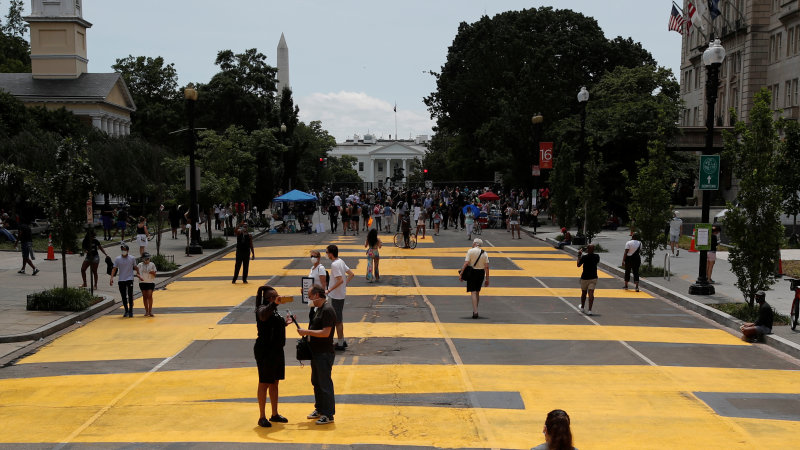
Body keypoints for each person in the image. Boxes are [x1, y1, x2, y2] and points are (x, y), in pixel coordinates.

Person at [296, 285, 336, 425]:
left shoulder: (327, 310)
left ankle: (328, 414)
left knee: (325, 383)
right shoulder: (318, 309)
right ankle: (319, 408)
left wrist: (307, 332)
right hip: (316, 352)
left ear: (318, 295)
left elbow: (325, 333)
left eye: (310, 295)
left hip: (324, 352)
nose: (309, 298)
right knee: (316, 382)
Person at [253, 285, 291, 427]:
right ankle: (262, 416)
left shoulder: (274, 311)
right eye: (275, 297)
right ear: (270, 299)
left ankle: (274, 414)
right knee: (264, 382)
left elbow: (272, 324)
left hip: (276, 350)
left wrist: (285, 323)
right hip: (265, 351)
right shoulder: (261, 309)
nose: (278, 299)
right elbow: (263, 316)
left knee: (275, 381)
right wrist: (274, 304)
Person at [325, 244, 355, 351]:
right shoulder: (340, 261)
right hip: (340, 294)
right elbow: (351, 274)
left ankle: (341, 342)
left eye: (327, 252)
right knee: (337, 319)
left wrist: (329, 290)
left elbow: (340, 280)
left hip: (336, 296)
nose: (326, 254)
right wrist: (345, 284)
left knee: (338, 320)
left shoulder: (335, 265)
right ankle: (341, 340)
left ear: (331, 254)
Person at [459, 238, 489, 319]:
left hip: (472, 272)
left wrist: (461, 273)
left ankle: (475, 311)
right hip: (481, 273)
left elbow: (466, 263)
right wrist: (487, 279)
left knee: (473, 292)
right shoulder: (484, 253)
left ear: (475, 243)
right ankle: (475, 309)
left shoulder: (470, 251)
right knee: (477, 291)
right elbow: (487, 267)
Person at [110, 242, 139, 317]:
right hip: (121, 279)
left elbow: (135, 267)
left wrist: (138, 273)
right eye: (122, 250)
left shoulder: (132, 258)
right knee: (123, 296)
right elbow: (114, 269)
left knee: (130, 294)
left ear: (128, 251)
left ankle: (131, 310)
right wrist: (111, 278)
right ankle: (126, 310)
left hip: (130, 279)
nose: (123, 251)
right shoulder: (118, 259)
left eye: (125, 250)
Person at [577, 245, 599, 315]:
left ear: (588, 249)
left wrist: (579, 255)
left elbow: (578, 265)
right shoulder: (597, 256)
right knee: (591, 294)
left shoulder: (584, 257)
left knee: (584, 293)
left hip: (585, 277)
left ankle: (582, 308)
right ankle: (590, 310)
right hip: (593, 277)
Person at [136, 252, 157, 317]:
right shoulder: (140, 265)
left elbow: (155, 274)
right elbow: (137, 273)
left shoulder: (152, 264)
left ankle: (150, 311)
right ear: (143, 259)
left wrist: (152, 272)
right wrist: (140, 277)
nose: (147, 260)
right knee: (145, 296)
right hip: (142, 282)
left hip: (150, 282)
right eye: (145, 259)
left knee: (149, 295)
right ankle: (146, 311)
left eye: (148, 259)